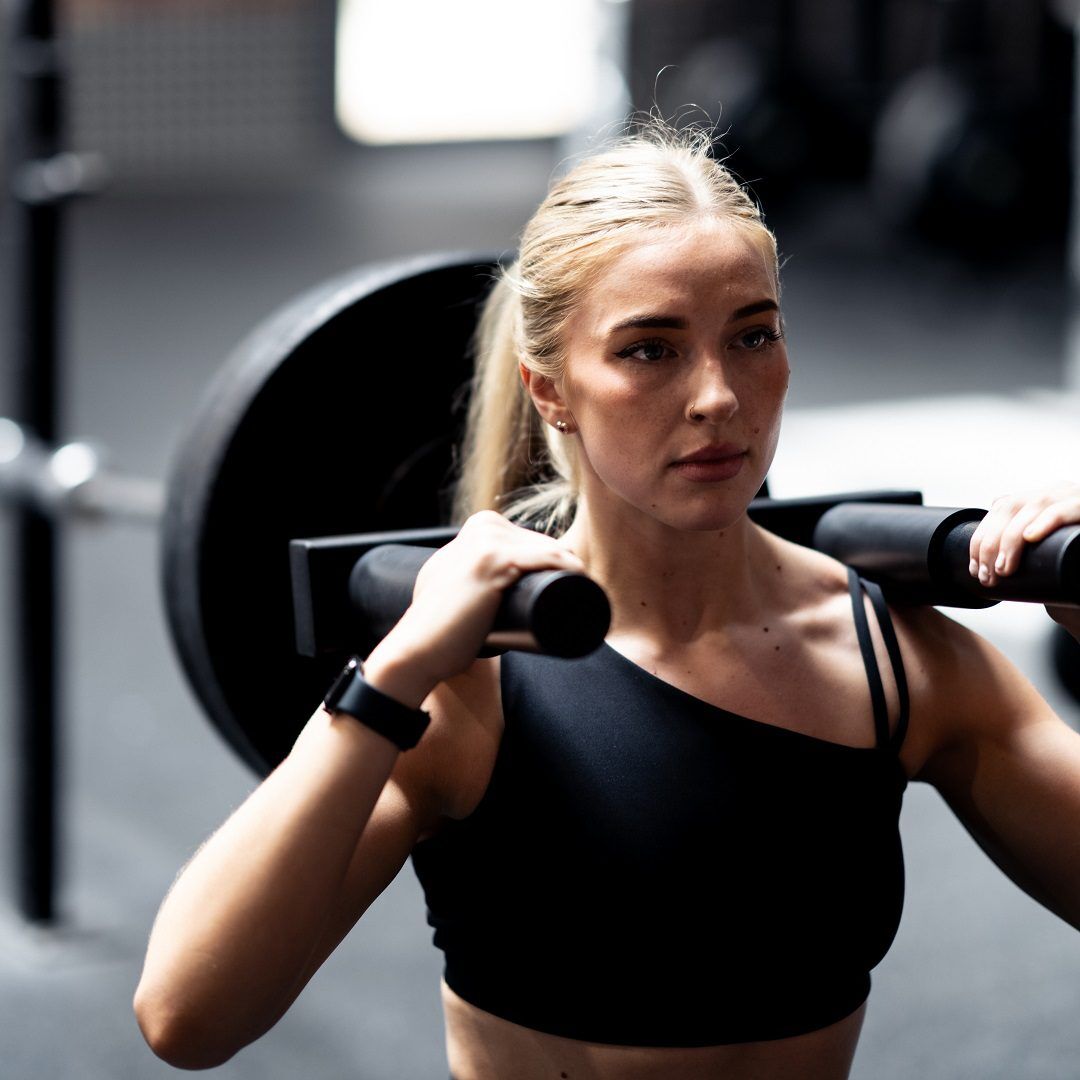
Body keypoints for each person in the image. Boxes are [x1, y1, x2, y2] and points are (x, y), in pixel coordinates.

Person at [134, 120, 1080, 1080]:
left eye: (753, 336)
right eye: (650, 351)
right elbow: (187, 1018)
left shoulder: (893, 660)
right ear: (550, 391)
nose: (718, 396)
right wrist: (393, 672)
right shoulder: (472, 693)